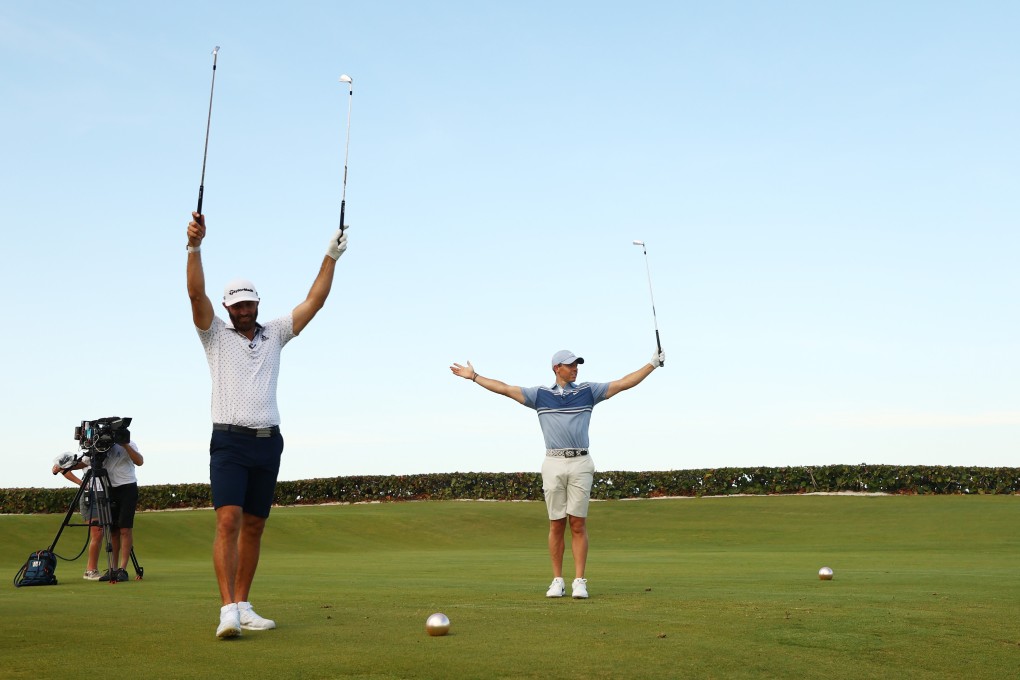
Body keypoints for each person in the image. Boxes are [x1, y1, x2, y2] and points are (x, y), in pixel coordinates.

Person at [186, 211, 347, 639]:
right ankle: (226, 612)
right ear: (227, 307)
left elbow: (314, 302)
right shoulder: (214, 335)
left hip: (268, 443)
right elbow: (194, 293)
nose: (242, 309)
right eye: (235, 304)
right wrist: (195, 246)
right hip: (229, 441)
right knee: (228, 520)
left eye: (248, 302)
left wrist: (330, 256)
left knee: (255, 524)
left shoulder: (274, 333)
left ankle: (243, 604)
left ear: (257, 302)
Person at [450, 348, 664, 599]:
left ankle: (579, 581)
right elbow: (505, 389)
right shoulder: (540, 395)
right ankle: (557, 581)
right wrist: (475, 377)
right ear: (556, 368)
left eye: (577, 365)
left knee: (578, 522)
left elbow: (623, 384)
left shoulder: (588, 391)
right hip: (553, 462)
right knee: (556, 523)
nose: (575, 369)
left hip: (581, 461)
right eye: (570, 365)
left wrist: (652, 364)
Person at [52, 441, 144, 582]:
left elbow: (139, 461)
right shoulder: (95, 448)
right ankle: (110, 569)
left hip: (125, 488)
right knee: (112, 530)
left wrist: (124, 443)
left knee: (124, 529)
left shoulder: (128, 443)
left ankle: (121, 569)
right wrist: (63, 466)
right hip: (106, 490)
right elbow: (80, 464)